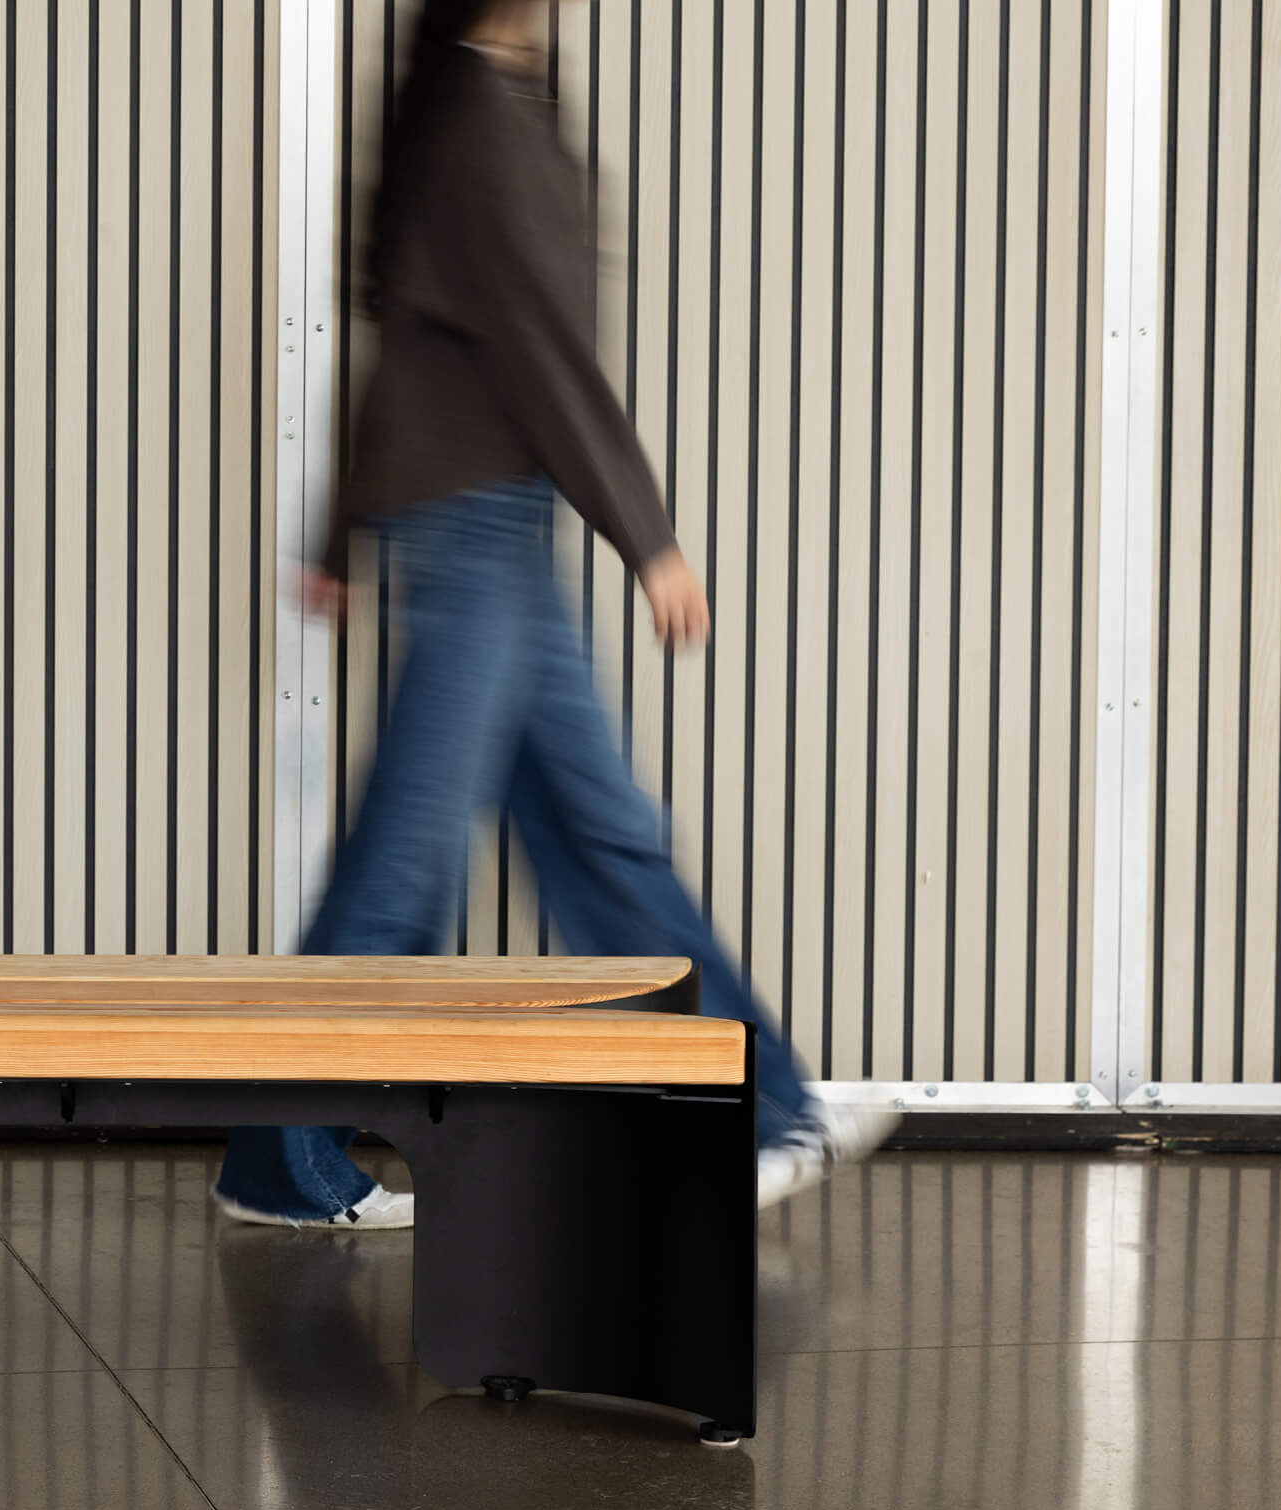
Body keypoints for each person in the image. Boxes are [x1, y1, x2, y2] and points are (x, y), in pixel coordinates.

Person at [212, 0, 892, 1231]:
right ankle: (276, 1157)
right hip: (477, 537)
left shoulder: (499, 98)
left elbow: (414, 349)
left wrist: (338, 533)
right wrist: (647, 535)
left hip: (495, 530)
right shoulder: (480, 110)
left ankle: (769, 1105)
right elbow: (539, 348)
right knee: (409, 867)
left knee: (605, 839)